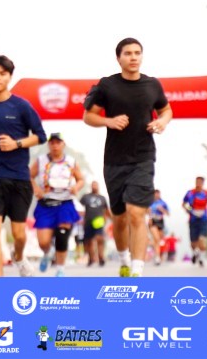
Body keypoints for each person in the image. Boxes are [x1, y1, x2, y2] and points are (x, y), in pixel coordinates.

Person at [82, 37, 173, 277]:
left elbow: (166, 110)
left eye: (137, 53)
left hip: (143, 157)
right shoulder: (107, 85)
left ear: (141, 56)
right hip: (114, 160)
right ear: (118, 58)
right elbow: (88, 116)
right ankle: (124, 259)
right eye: (128, 53)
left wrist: (162, 121)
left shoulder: (152, 85)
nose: (133, 57)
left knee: (136, 213)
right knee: (120, 218)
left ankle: (137, 269)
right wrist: (109, 121)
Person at [0, 55, 46, 277]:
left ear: (10, 77)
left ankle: (19, 256)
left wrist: (17, 143)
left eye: (2, 74)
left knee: (19, 234)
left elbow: (40, 136)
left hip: (19, 177)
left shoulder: (22, 106)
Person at [30, 133, 85, 277]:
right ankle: (48, 253)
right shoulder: (41, 160)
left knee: (62, 236)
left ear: (63, 144)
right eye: (52, 143)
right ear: (48, 145)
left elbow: (81, 179)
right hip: (46, 204)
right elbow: (29, 176)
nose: (55, 146)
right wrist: (36, 189)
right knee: (43, 242)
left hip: (65, 203)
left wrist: (76, 187)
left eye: (58, 143)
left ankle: (60, 269)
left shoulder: (71, 161)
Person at [182, 175, 207, 267]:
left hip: (203, 219)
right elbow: (184, 204)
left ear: (202, 183)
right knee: (193, 243)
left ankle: (201, 258)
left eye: (200, 182)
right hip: (193, 219)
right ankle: (195, 252)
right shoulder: (190, 193)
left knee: (202, 239)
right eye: (197, 182)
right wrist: (189, 209)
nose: (198, 184)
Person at [79, 181, 113, 267]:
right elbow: (79, 207)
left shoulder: (102, 198)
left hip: (99, 220)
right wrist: (79, 217)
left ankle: (101, 257)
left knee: (99, 239)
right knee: (88, 240)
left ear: (98, 186)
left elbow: (106, 210)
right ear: (91, 186)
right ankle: (91, 258)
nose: (94, 186)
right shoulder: (86, 197)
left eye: (95, 185)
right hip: (88, 221)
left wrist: (112, 220)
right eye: (93, 185)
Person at [148, 189, 170, 265]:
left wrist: (162, 209)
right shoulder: (149, 202)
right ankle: (157, 257)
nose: (156, 195)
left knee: (158, 240)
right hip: (152, 221)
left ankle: (156, 253)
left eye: (158, 194)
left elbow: (168, 213)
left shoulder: (163, 203)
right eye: (155, 194)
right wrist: (149, 213)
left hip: (160, 221)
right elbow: (145, 211)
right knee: (156, 238)